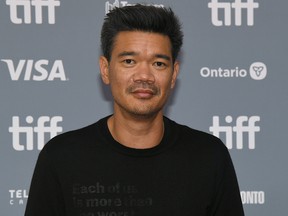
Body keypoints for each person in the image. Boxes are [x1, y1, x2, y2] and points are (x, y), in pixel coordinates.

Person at [25, 4, 244, 216]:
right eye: (129, 61)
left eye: (158, 64)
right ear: (105, 69)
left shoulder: (209, 156)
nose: (144, 76)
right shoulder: (61, 157)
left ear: (174, 74)